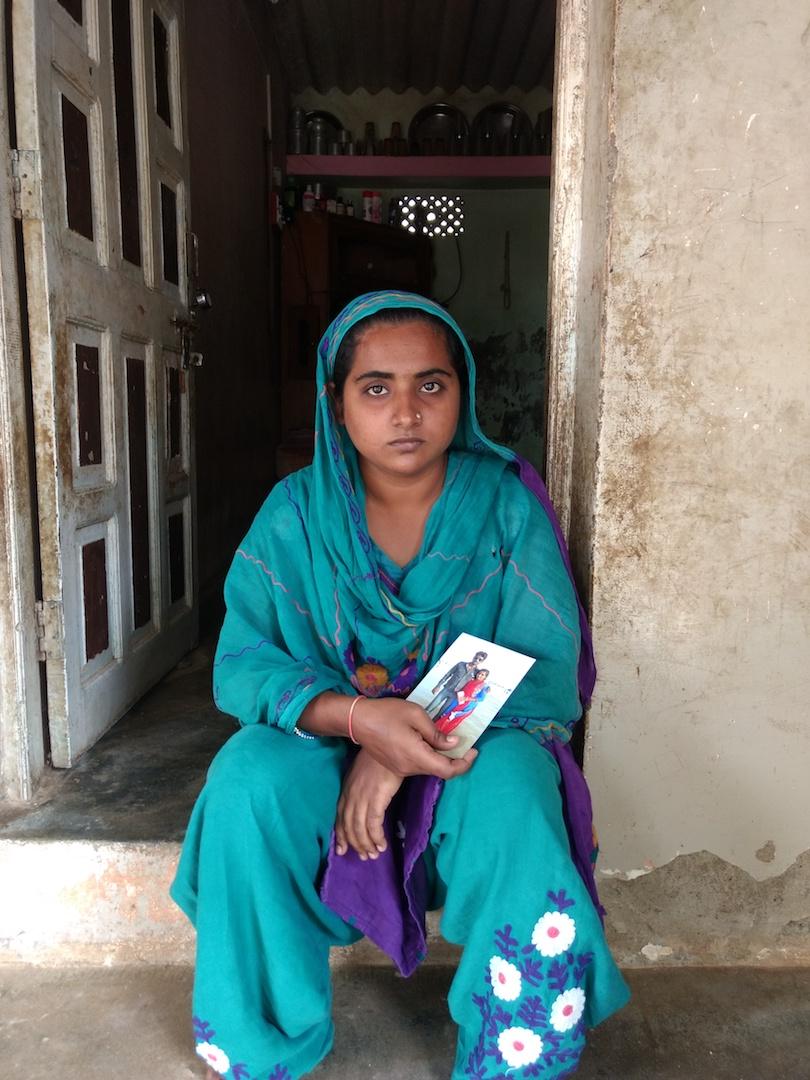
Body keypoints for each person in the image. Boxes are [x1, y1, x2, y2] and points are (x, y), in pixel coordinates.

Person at [171, 291, 630, 1080]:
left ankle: (515, 1056)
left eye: (432, 385)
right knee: (247, 777)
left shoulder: (504, 506)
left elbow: (539, 659)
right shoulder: (294, 516)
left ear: (464, 393)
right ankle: (259, 1047)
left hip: (477, 742)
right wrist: (359, 721)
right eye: (376, 388)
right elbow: (244, 664)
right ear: (337, 404)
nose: (407, 411)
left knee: (520, 788)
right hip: (328, 740)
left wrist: (396, 748)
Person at [425, 650, 488, 718]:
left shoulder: (476, 672)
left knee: (440, 714)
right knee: (429, 708)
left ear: (482, 662)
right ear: (473, 657)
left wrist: (487, 688)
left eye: (480, 660)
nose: (477, 660)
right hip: (446, 690)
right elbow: (448, 674)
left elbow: (480, 682)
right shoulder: (461, 664)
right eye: (476, 658)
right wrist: (438, 686)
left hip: (455, 696)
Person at [434, 668, 490, 735]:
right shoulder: (471, 681)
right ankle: (434, 729)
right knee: (446, 713)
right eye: (479, 673)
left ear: (485, 677)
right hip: (458, 700)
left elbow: (481, 699)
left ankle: (440, 734)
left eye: (482, 675)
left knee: (453, 719)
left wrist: (468, 699)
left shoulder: (484, 686)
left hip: (467, 705)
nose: (479, 675)